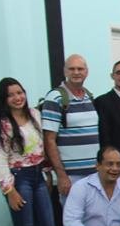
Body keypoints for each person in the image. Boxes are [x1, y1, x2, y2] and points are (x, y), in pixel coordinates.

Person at [0, 77, 55, 226]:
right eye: (11, 95)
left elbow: (41, 148)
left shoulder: (35, 114)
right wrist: (9, 191)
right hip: (19, 179)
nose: (17, 97)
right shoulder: (3, 124)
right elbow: (0, 160)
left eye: (19, 93)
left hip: (38, 175)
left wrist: (48, 173)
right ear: (4, 99)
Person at [42, 54, 99, 199]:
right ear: (65, 71)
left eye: (80, 69)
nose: (76, 72)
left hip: (95, 174)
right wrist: (61, 175)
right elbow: (49, 140)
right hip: (71, 177)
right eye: (72, 69)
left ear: (87, 72)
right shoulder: (55, 98)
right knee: (73, 213)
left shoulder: (90, 96)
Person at [62, 146, 120, 226]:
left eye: (119, 164)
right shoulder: (81, 187)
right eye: (110, 164)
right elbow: (71, 221)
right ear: (98, 165)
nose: (115, 168)